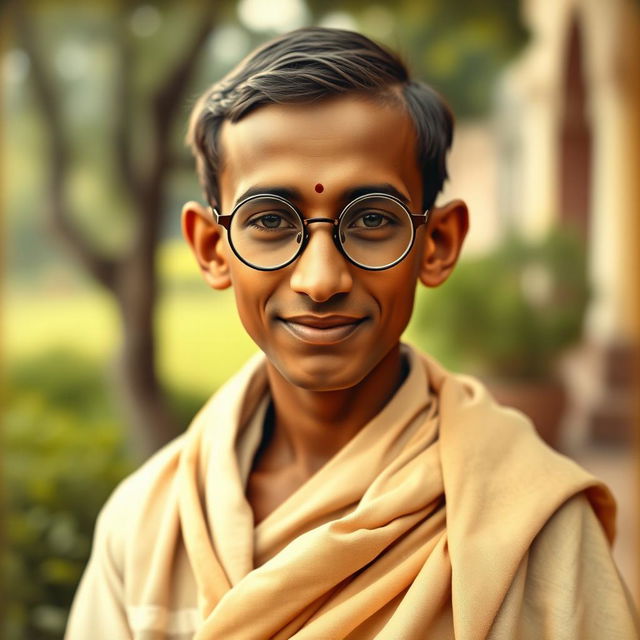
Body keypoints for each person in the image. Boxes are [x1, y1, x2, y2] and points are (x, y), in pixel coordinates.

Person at [65, 27, 639, 639]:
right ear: (213, 249)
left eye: (370, 219)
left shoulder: (535, 527)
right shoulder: (148, 526)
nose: (320, 279)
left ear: (437, 244)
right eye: (268, 221)